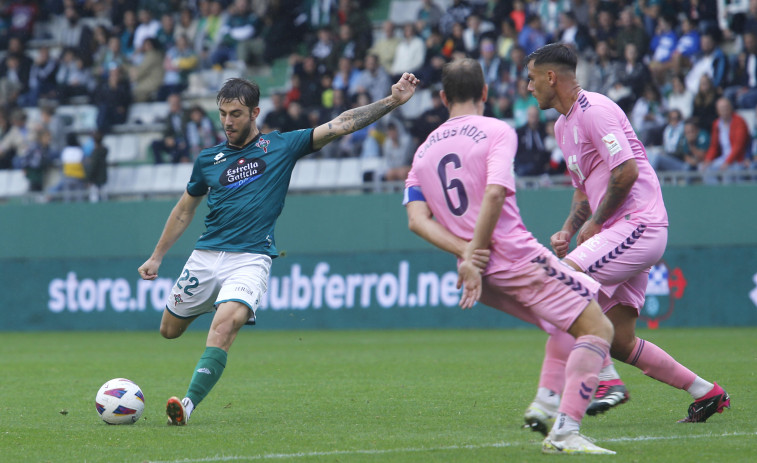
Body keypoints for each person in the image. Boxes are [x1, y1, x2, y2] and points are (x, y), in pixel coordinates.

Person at [137, 72, 419, 426]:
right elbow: (184, 210)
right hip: (206, 257)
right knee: (169, 330)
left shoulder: (282, 146)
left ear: (255, 113)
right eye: (222, 113)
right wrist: (157, 255)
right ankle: (219, 301)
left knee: (226, 326)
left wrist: (392, 100)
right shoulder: (208, 160)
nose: (227, 121)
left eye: (235, 114)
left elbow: (340, 124)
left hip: (250, 260)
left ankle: (187, 406)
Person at [404, 57, 616, 455]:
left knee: (565, 325)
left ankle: (547, 402)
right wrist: (477, 251)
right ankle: (566, 432)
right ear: (485, 93)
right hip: (516, 259)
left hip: (482, 276)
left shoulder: (423, 152)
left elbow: (417, 221)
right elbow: (495, 193)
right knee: (598, 329)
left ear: (442, 97)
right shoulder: (497, 131)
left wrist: (466, 255)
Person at [526, 43, 730, 423]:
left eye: (532, 78)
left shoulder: (596, 111)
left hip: (639, 224)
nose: (528, 87)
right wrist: (571, 227)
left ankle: (605, 382)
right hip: (622, 233)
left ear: (551, 77)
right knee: (619, 341)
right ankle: (707, 392)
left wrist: (595, 223)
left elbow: (627, 172)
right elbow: (584, 187)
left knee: (564, 280)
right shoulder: (562, 124)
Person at [701, 97, 751, 184]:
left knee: (727, 171)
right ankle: (716, 194)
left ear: (731, 108)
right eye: (721, 109)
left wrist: (727, 162)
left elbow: (738, 146)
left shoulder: (739, 121)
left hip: (738, 159)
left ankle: (729, 196)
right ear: (717, 111)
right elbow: (714, 146)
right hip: (724, 158)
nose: (724, 111)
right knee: (704, 169)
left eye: (726, 108)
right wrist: (707, 160)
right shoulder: (716, 124)